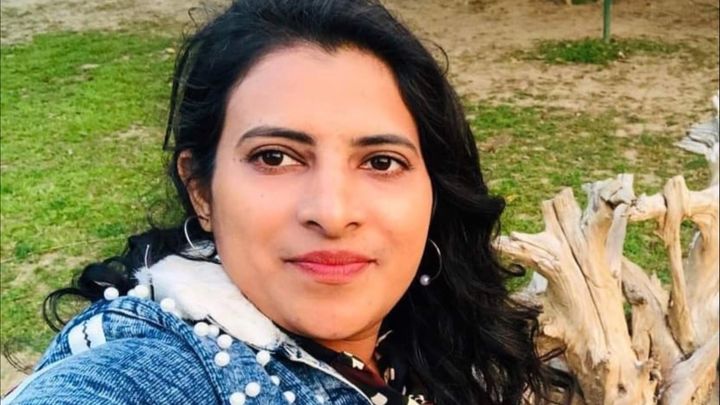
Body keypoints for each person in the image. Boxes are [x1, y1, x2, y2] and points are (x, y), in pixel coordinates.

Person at [4, 0, 549, 404]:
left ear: (434, 189)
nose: (332, 213)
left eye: (382, 162)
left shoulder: (427, 331)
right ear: (201, 190)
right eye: (274, 157)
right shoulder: (154, 370)